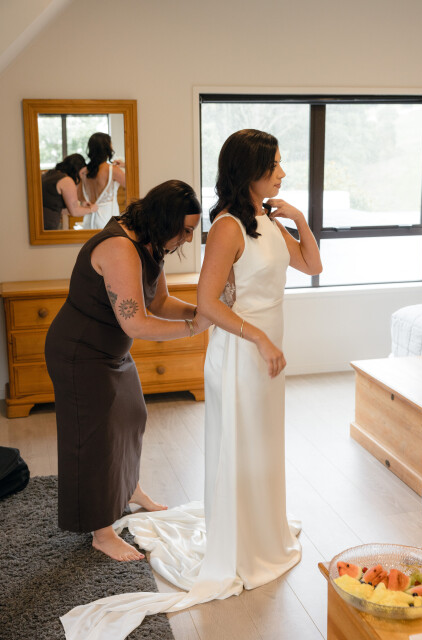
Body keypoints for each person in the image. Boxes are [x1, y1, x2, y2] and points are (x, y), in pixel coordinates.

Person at [59, 130, 323, 640]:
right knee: (96, 433)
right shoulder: (219, 229)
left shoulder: (264, 221)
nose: (283, 173)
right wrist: (225, 330)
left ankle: (243, 525)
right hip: (216, 350)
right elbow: (169, 312)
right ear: (250, 171)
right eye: (275, 165)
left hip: (253, 347)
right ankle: (103, 528)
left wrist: (300, 219)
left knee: (142, 418)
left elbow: (311, 265)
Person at [45, 180, 210, 562]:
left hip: (111, 352)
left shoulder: (151, 243)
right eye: (186, 230)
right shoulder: (119, 248)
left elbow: (161, 301)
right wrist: (194, 328)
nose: (188, 238)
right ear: (166, 219)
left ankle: (129, 489)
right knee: (93, 439)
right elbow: (136, 323)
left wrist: (201, 312)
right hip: (80, 353)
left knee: (133, 416)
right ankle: (101, 532)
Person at [80, 132, 126, 229]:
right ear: (107, 148)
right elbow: (132, 184)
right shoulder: (112, 170)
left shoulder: (84, 171)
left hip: (88, 220)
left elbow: (80, 196)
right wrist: (125, 165)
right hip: (107, 219)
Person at [42, 154, 97, 230]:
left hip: (41, 224)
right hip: (48, 226)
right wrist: (91, 209)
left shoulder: (48, 174)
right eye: (82, 173)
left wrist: (82, 207)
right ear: (76, 170)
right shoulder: (66, 181)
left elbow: (58, 208)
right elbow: (75, 212)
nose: (81, 177)